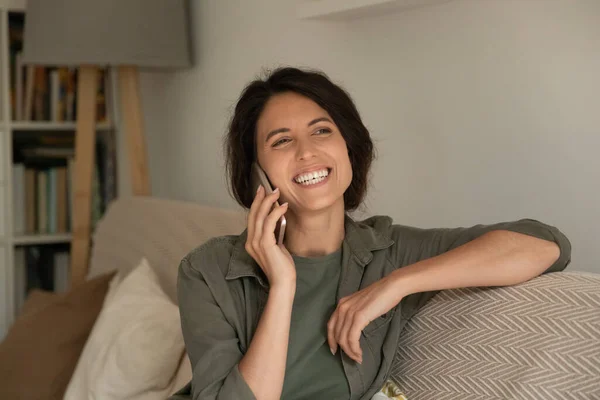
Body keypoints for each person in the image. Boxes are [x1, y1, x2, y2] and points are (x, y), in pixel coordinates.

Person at [169, 67, 571, 400]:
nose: (306, 151)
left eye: (322, 131)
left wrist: (398, 283)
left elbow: (545, 244)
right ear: (256, 171)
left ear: (350, 150)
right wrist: (283, 285)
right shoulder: (207, 271)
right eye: (282, 140)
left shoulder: (390, 252)